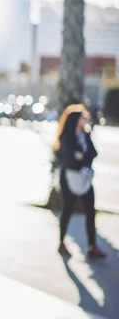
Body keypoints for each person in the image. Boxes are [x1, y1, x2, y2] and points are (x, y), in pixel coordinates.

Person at [55, 104, 107, 260]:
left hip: (85, 177)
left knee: (90, 211)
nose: (85, 119)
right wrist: (83, 158)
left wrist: (82, 157)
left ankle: (92, 246)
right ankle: (61, 242)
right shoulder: (66, 136)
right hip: (69, 178)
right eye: (82, 117)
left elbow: (93, 153)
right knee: (68, 209)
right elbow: (70, 158)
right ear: (75, 119)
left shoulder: (86, 135)